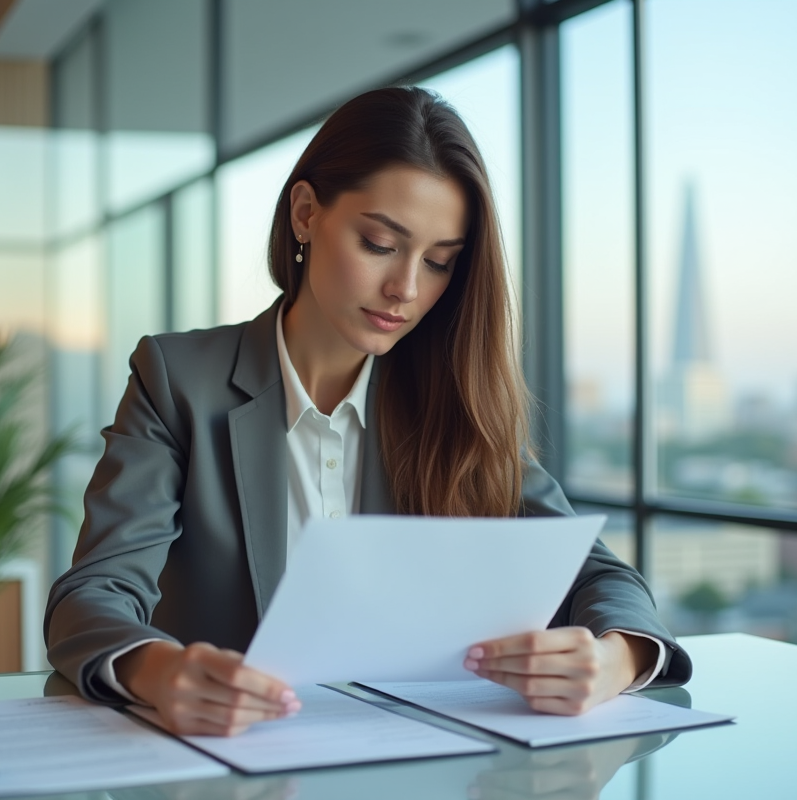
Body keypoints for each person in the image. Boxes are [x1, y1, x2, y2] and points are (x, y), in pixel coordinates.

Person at [45, 86, 692, 737]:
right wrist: (160, 672)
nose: (406, 289)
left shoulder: (453, 401)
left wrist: (615, 659)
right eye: (380, 244)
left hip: (424, 763)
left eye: (439, 262)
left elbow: (598, 573)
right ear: (305, 213)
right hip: (230, 767)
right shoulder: (179, 380)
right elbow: (93, 596)